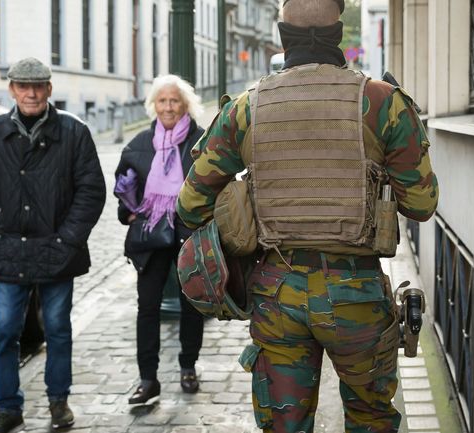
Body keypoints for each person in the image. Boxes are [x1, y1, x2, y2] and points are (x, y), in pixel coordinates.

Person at [176, 0, 439, 431]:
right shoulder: (382, 101)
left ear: (282, 34)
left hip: (276, 294)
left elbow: (190, 205)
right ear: (338, 35)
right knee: (371, 419)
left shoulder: (245, 108)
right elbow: (422, 205)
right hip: (357, 294)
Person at [0, 57, 106, 433]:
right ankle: (8, 407)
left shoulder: (74, 132)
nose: (30, 93)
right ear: (12, 89)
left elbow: (91, 191)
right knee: (5, 331)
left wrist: (68, 238)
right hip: (9, 248)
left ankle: (58, 401)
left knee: (58, 328)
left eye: (38, 86)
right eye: (23, 86)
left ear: (49, 89)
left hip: (57, 250)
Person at [114, 74, 206, 405]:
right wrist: (130, 213)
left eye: (174, 101)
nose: (168, 107)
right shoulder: (139, 144)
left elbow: (216, 187)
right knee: (148, 307)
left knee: (192, 305)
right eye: (163, 101)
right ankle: (148, 379)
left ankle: (188, 367)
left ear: (186, 105)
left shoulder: (200, 142)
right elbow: (123, 190)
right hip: (150, 239)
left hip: (188, 236)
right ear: (154, 105)